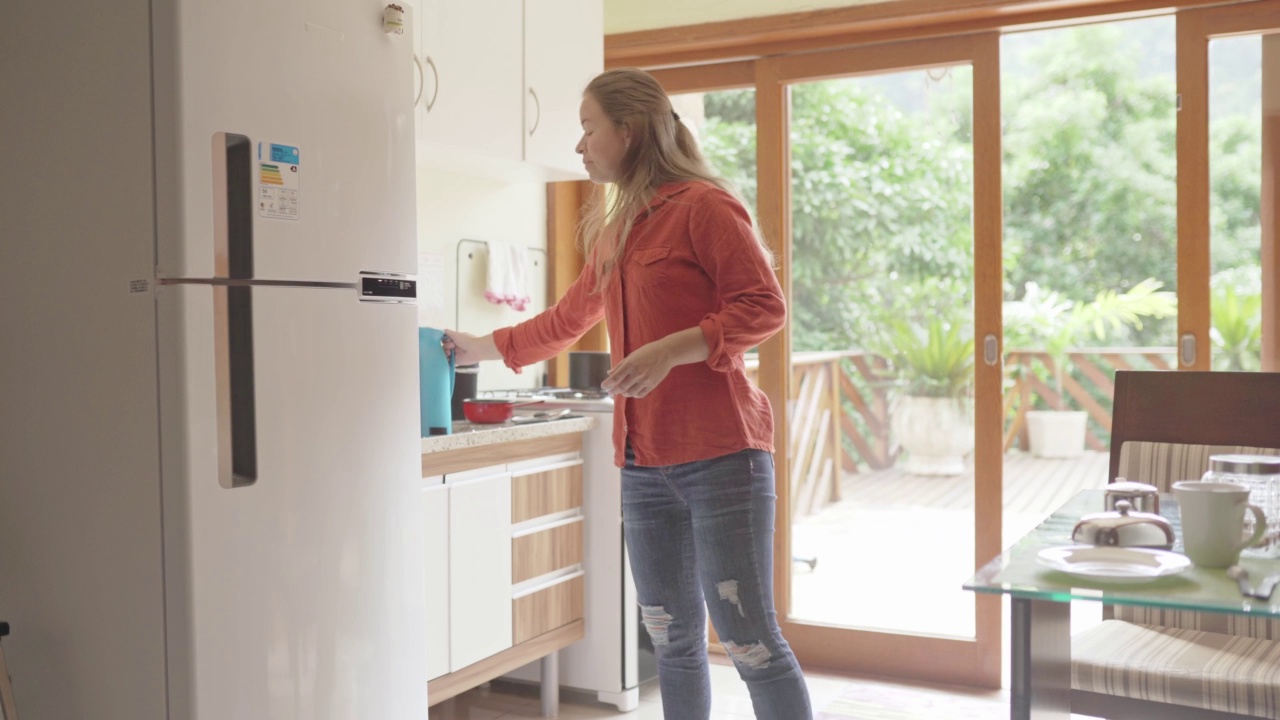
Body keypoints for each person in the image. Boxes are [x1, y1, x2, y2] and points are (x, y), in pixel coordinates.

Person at [444, 67, 813, 720]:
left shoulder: (706, 207)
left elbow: (765, 306)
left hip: (722, 457)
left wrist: (673, 348)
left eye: (589, 130)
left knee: (750, 641)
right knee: (672, 641)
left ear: (630, 129)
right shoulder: (617, 232)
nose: (581, 146)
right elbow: (565, 321)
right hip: (644, 465)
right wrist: (480, 346)